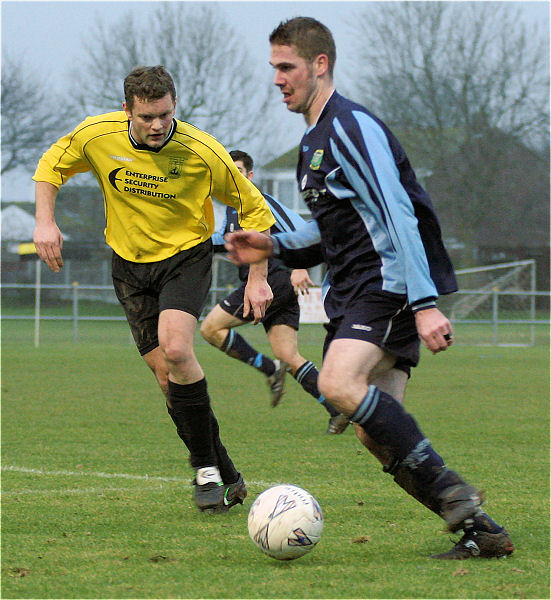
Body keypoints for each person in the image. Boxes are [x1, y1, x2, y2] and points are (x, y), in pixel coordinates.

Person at [224, 18, 514, 559]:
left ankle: (454, 491)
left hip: (388, 287)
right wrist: (270, 245)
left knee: (336, 383)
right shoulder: (313, 140)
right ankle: (482, 530)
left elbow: (396, 211)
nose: (278, 79)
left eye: (286, 67)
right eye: (274, 69)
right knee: (374, 433)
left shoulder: (350, 127)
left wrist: (425, 304)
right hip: (356, 290)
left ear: (320, 64)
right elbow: (326, 234)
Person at [32, 65, 276, 514]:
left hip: (185, 257)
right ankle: (228, 474)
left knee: (178, 351)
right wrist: (45, 221)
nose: (157, 125)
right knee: (167, 377)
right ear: (127, 110)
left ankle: (204, 470)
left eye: (164, 114)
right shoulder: (96, 134)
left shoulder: (202, 151)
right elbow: (50, 166)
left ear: (174, 105)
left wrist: (258, 279)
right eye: (146, 116)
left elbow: (256, 210)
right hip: (128, 265)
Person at [200, 150, 350, 434]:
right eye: (230, 172)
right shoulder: (234, 209)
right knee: (290, 356)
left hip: (272, 282)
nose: (236, 177)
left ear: (251, 176)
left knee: (210, 329)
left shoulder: (261, 203)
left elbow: (301, 228)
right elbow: (220, 242)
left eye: (240, 171)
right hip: (272, 288)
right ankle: (337, 410)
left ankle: (268, 368)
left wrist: (300, 267)